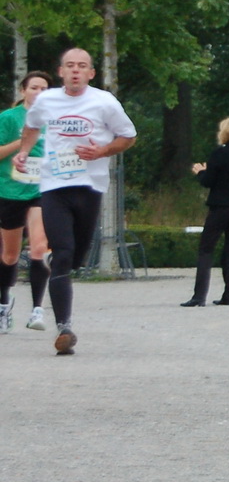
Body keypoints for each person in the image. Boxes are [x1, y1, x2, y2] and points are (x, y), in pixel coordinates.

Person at [11, 49, 137, 355]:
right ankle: (64, 328)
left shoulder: (104, 101)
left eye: (82, 66)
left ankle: (63, 265)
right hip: (54, 185)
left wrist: (103, 152)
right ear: (61, 71)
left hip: (90, 185)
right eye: (70, 66)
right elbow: (32, 126)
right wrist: (25, 151)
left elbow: (128, 136)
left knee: (77, 256)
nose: (76, 71)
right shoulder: (47, 100)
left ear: (91, 73)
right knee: (64, 252)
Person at [0, 71, 51, 334]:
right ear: (23, 91)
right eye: (34, 88)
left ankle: (37, 310)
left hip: (41, 189)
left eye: (44, 89)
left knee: (39, 247)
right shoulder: (8, 119)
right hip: (9, 190)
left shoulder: (54, 120)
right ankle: (3, 304)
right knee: (9, 254)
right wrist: (24, 142)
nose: (39, 93)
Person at [182, 117, 229, 307]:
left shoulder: (219, 154)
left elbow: (208, 181)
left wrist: (201, 172)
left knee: (206, 249)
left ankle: (199, 295)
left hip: (221, 207)